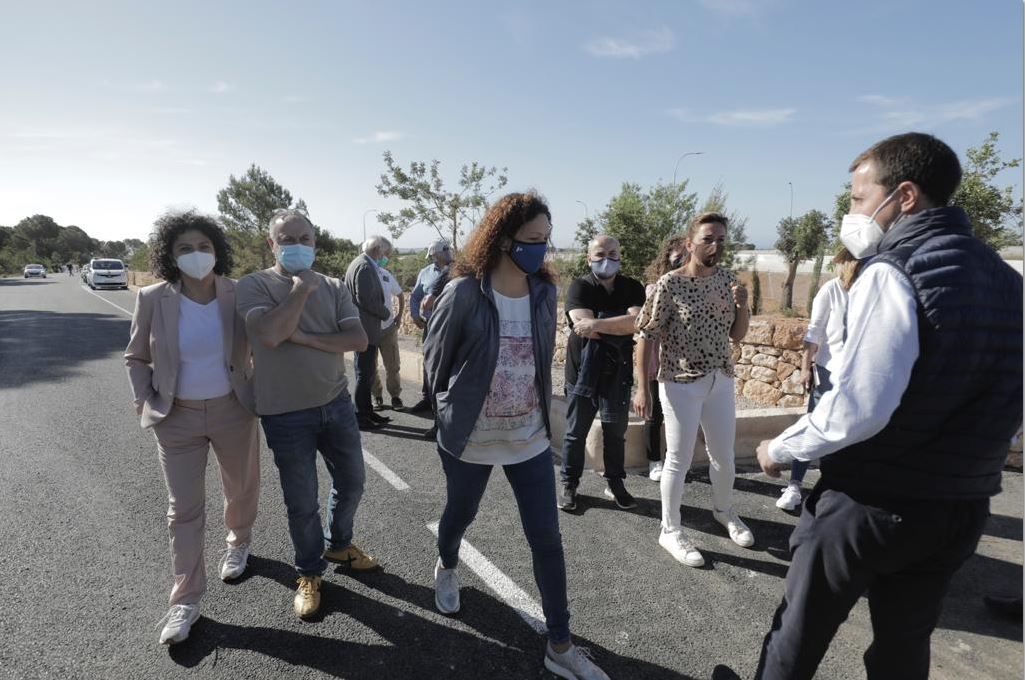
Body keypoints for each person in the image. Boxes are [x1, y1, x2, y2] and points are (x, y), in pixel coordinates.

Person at [754, 132, 1023, 680]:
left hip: (872, 504)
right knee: (903, 646)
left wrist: (780, 448)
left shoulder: (895, 271)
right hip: (959, 507)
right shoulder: (1005, 280)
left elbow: (858, 408)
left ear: (903, 195)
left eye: (856, 198)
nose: (851, 212)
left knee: (797, 636)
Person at [424, 192, 611, 680]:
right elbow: (434, 364)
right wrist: (448, 413)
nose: (541, 250)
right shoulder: (464, 292)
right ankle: (446, 565)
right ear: (503, 239)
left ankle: (561, 644)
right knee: (460, 514)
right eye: (532, 240)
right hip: (471, 438)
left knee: (547, 539)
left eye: (546, 241)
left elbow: (538, 360)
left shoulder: (545, 295)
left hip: (528, 437)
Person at [237, 209, 381, 620]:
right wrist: (300, 290)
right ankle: (310, 572)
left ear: (316, 242)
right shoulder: (255, 285)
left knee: (352, 482)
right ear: (271, 243)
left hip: (335, 404)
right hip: (284, 414)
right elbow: (267, 334)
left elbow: (358, 338)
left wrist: (301, 337)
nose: (297, 245)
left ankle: (339, 544)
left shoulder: (335, 286)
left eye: (305, 238)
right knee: (302, 503)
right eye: (287, 238)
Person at [124, 210, 260, 645]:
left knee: (240, 488)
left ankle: (238, 541)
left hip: (233, 410)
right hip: (176, 417)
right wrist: (145, 399)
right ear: (169, 255)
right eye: (184, 248)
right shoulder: (153, 298)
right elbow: (136, 356)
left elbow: (267, 343)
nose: (196, 255)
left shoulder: (238, 294)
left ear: (217, 250)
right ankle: (185, 600)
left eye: (204, 246)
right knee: (182, 509)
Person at [633, 212, 754, 568]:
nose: (715, 246)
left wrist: (742, 305)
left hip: (720, 379)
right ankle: (670, 530)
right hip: (680, 383)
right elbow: (645, 334)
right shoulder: (670, 285)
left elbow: (737, 334)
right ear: (690, 244)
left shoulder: (728, 281)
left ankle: (724, 510)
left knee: (724, 456)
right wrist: (642, 388)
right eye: (707, 239)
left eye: (720, 240)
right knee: (678, 460)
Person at [558, 235, 646, 512]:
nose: (606, 259)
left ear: (620, 255)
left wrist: (598, 323)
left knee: (615, 433)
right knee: (575, 433)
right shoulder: (579, 287)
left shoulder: (631, 287)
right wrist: (618, 324)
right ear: (589, 258)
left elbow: (638, 323)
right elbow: (585, 327)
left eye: (612, 253)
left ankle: (616, 484)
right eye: (599, 254)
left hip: (617, 373)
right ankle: (569, 483)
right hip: (581, 373)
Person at [775, 247, 862, 512]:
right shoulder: (830, 290)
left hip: (858, 376)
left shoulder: (870, 292)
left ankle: (834, 491)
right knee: (815, 428)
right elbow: (814, 333)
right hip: (828, 371)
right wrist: (805, 367)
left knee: (849, 437)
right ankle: (794, 487)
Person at [637, 236, 688, 482]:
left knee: (677, 417)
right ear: (666, 258)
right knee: (654, 414)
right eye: (677, 255)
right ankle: (654, 462)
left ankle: (674, 460)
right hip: (659, 363)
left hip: (683, 366)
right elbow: (648, 330)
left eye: (686, 255)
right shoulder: (655, 288)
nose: (682, 260)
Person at [345, 236, 394, 430]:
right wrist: (386, 312)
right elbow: (365, 299)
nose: (386, 257)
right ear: (378, 249)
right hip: (365, 329)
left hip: (365, 328)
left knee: (367, 373)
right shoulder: (364, 266)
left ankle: (366, 412)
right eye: (386, 253)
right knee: (364, 374)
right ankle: (361, 416)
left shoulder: (361, 263)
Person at [407, 239, 453, 415]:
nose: (434, 258)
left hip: (450, 326)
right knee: (428, 362)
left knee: (447, 364)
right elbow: (415, 296)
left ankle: (443, 402)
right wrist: (414, 315)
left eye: (434, 255)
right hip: (430, 325)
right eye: (434, 256)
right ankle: (427, 398)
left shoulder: (459, 271)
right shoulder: (425, 272)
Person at [371, 254, 404, 411]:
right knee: (371, 366)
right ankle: (377, 396)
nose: (382, 257)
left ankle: (395, 397)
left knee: (393, 366)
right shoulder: (363, 274)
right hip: (369, 329)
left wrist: (399, 315)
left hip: (388, 328)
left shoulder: (386, 274)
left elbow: (400, 294)